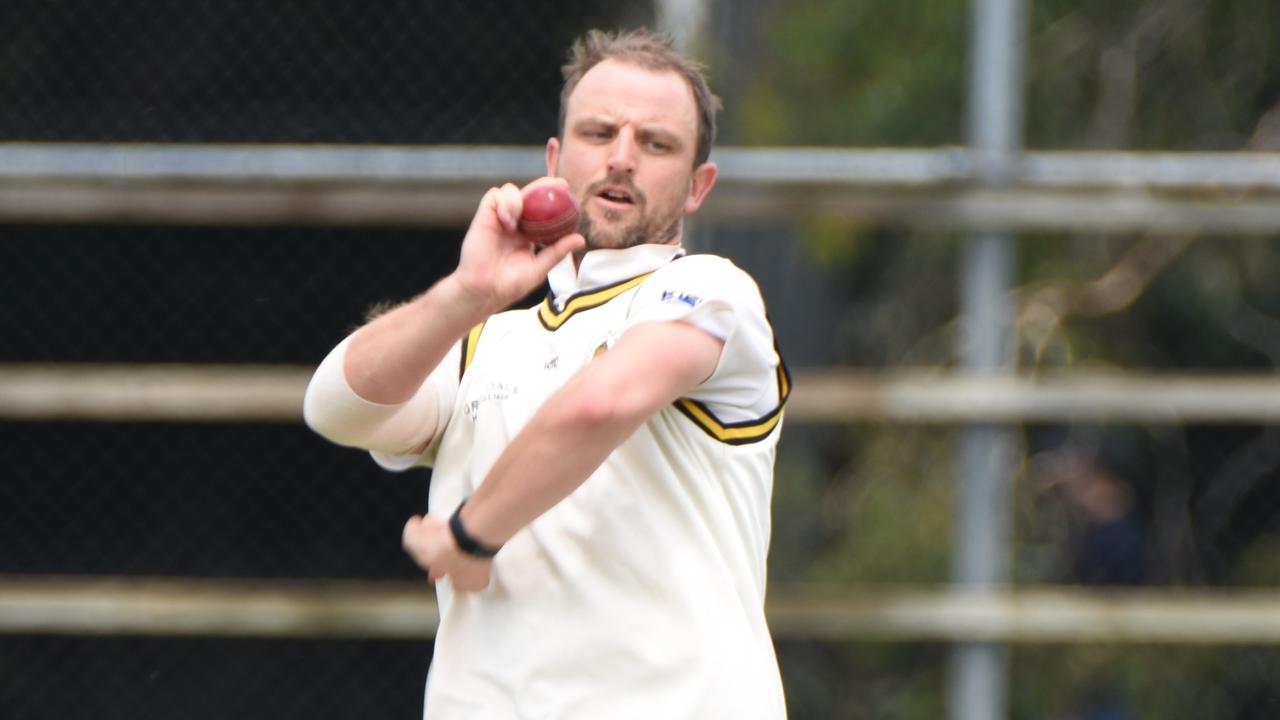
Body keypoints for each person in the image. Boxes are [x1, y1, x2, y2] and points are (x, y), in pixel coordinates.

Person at [304, 28, 789, 719]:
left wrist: (470, 534)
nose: (621, 159)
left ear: (696, 187)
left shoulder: (714, 293)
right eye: (599, 134)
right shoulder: (487, 339)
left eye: (656, 144)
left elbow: (601, 405)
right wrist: (465, 295)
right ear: (555, 159)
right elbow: (336, 407)